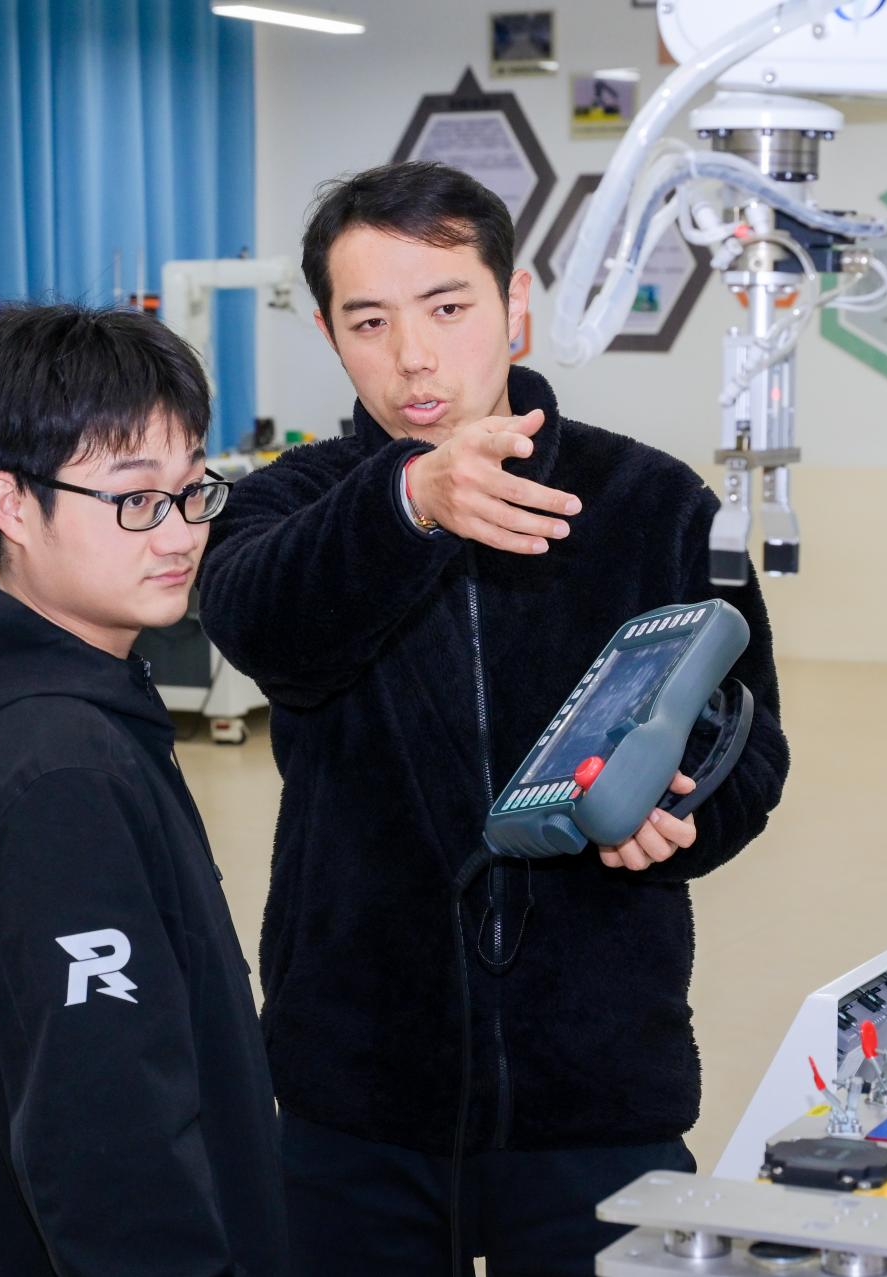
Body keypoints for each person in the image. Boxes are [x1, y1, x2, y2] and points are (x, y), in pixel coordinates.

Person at [198, 161, 790, 1274]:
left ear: (515, 304)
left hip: (597, 1086)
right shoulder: (289, 504)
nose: (413, 355)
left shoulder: (652, 502)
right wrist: (408, 503)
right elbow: (260, 625)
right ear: (330, 334)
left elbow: (747, 742)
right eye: (369, 321)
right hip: (357, 1088)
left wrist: (681, 811)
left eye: (447, 307)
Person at [0, 303, 287, 1276]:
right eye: (135, 499)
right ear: (14, 505)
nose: (180, 533)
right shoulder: (53, 770)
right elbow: (108, 1144)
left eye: (192, 490)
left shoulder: (23, 713)